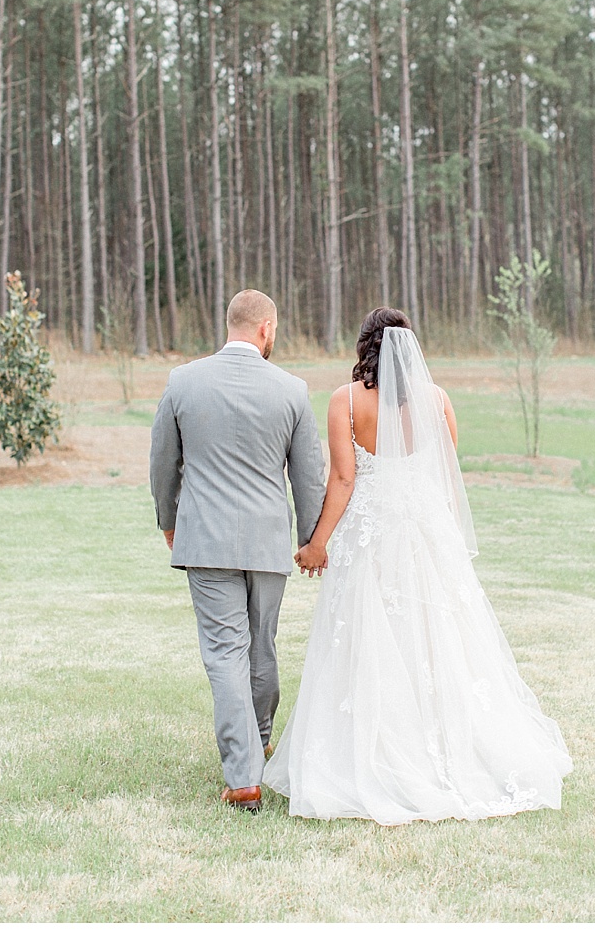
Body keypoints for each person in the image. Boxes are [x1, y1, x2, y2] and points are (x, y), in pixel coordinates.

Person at [263, 307, 573, 823]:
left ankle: (379, 753)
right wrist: (445, 537)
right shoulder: (438, 400)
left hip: (372, 537)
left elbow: (342, 480)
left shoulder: (345, 400)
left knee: (370, 637)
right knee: (435, 638)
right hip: (426, 534)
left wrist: (317, 543)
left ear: (364, 347)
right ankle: (446, 750)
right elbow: (446, 475)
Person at [150, 288, 324, 813]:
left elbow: (162, 462)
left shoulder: (183, 381)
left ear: (232, 325)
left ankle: (244, 774)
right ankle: (259, 741)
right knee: (260, 646)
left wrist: (168, 520)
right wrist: (311, 539)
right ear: (266, 328)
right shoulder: (292, 390)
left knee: (226, 652)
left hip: (205, 540)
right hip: (268, 542)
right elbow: (309, 475)